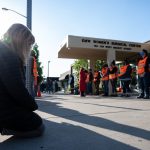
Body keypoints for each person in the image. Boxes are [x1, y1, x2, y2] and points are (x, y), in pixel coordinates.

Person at [0, 23, 44, 137]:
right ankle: (4, 127)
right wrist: (32, 105)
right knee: (38, 125)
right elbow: (17, 89)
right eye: (29, 44)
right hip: (3, 109)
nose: (29, 48)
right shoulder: (8, 56)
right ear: (21, 41)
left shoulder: (5, 51)